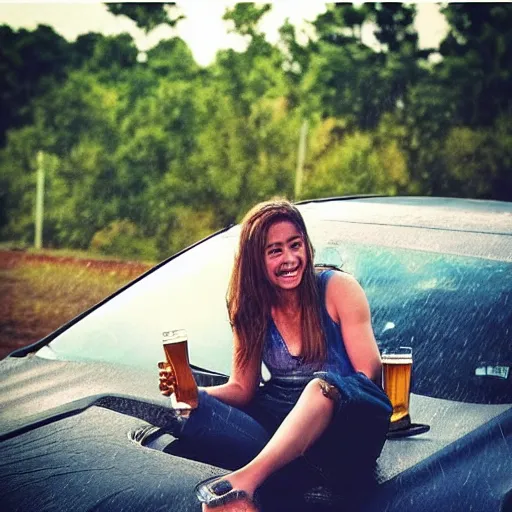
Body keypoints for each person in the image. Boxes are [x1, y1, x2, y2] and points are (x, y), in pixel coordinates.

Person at [155, 199, 392, 511]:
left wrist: (315, 419)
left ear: (306, 246)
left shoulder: (337, 289)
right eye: (275, 251)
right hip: (279, 427)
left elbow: (369, 373)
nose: (290, 258)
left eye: (295, 245)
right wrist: (190, 390)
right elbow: (242, 389)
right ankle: (282, 467)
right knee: (192, 410)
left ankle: (244, 484)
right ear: (256, 260)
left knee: (319, 389)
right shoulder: (251, 308)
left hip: (345, 421)